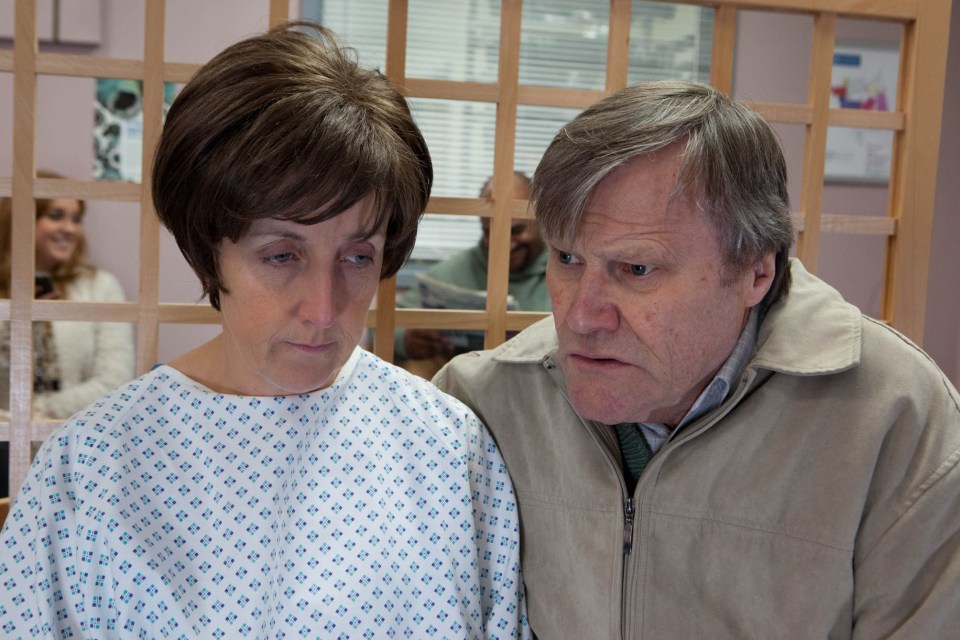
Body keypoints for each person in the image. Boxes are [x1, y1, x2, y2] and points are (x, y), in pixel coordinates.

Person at [0, 22, 528, 639]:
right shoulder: (95, 464)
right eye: (282, 255)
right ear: (209, 250)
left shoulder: (447, 449)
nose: (325, 309)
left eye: (357, 257)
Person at [434, 80, 960, 638]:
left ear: (756, 271)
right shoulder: (483, 405)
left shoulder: (896, 417)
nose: (582, 316)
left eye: (637, 269)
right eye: (567, 258)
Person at [0, 171, 135, 422]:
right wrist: (15, 325)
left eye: (76, 219)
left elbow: (115, 379)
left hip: (75, 438)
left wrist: (39, 412)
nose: (70, 229)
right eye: (56, 216)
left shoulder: (99, 288)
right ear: (20, 219)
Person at [395, 171, 549, 369]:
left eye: (516, 230)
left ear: (540, 220)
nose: (505, 244)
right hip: (465, 385)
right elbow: (385, 324)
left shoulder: (565, 270)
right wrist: (406, 340)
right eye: (489, 231)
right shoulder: (454, 271)